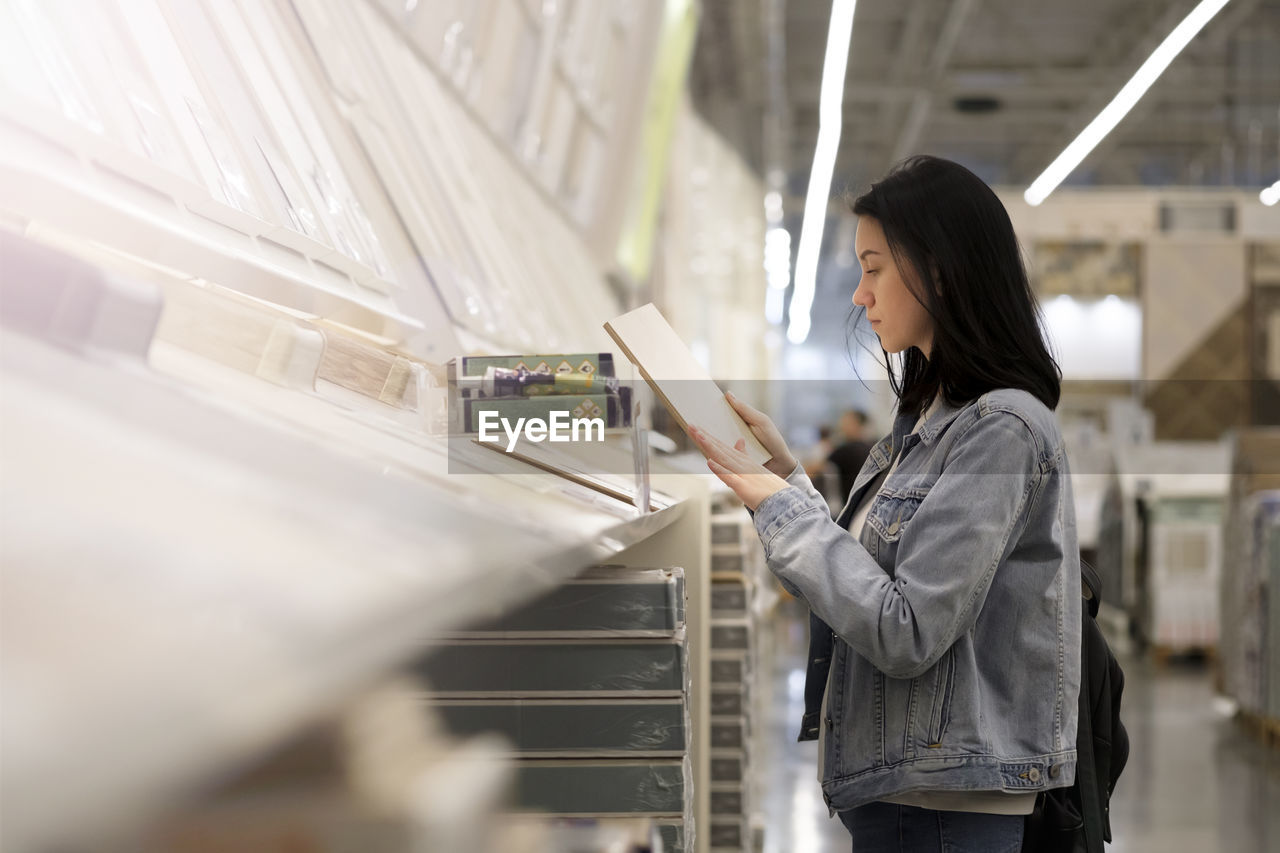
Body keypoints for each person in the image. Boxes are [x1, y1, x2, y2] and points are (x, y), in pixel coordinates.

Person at [689, 155, 1081, 853]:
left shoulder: (1002, 429)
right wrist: (787, 482)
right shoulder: (929, 422)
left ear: (938, 269)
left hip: (944, 806)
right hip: (913, 793)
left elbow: (907, 628)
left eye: (874, 268)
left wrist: (783, 509)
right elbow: (870, 579)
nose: (860, 295)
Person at [826, 408, 872, 501]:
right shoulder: (872, 447)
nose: (842, 426)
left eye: (846, 422)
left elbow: (814, 468)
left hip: (853, 506)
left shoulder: (847, 449)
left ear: (856, 424)